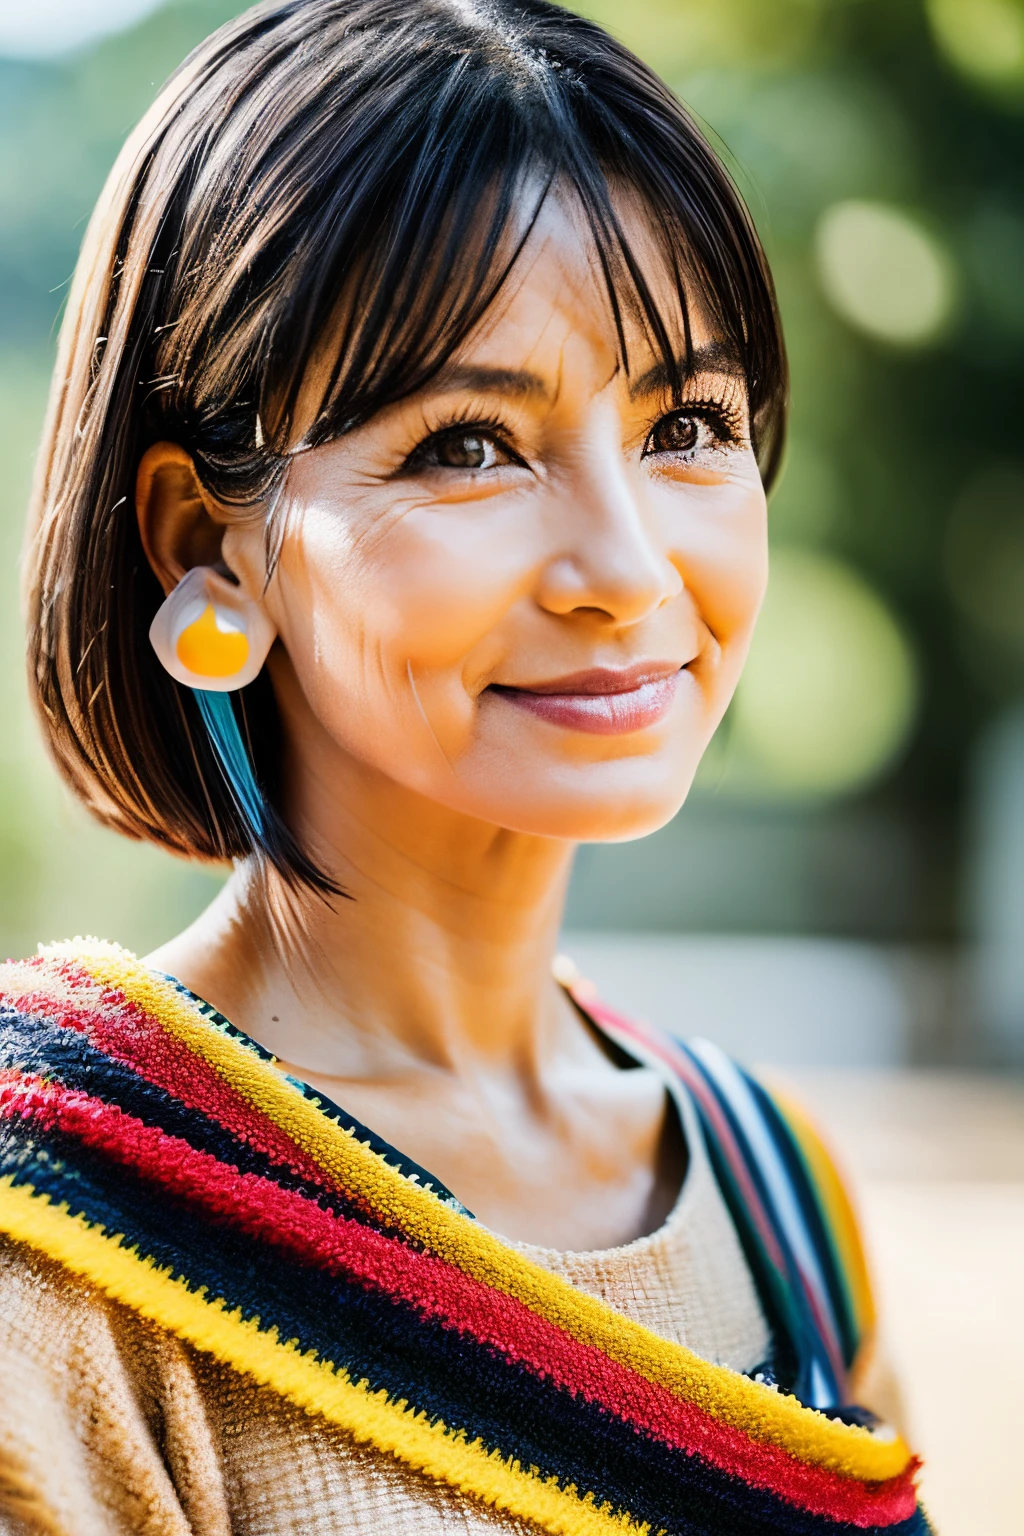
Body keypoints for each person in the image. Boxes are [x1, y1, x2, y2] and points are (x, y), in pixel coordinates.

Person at [0, 2, 928, 1532]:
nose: (626, 571)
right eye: (468, 447)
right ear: (204, 548)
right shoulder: (66, 1244)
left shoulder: (777, 1198)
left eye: (687, 423)